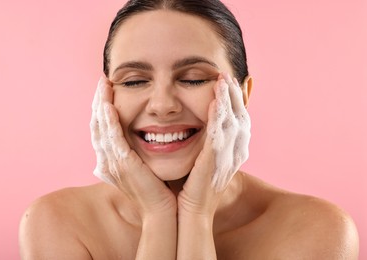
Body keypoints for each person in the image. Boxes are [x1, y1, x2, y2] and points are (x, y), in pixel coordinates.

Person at [19, 0, 359, 259]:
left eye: (193, 78)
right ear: (106, 97)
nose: (162, 104)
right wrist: (158, 216)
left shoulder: (318, 230)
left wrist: (196, 213)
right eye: (135, 81)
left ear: (242, 95)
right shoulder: (56, 222)